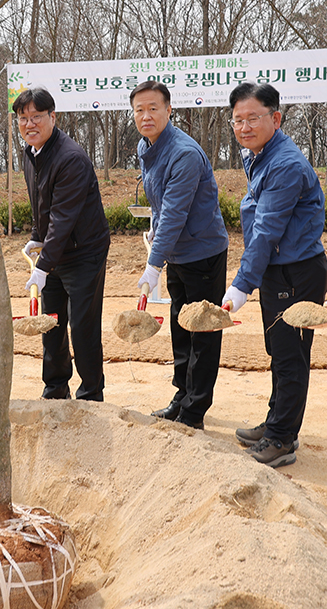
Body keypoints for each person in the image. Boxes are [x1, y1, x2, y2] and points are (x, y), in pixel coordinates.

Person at [223, 83, 327, 467]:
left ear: (276, 118)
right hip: (276, 269)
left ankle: (283, 438)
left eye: (253, 117)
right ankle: (276, 422)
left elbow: (267, 230)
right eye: (238, 119)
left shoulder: (284, 164)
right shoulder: (259, 155)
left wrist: (240, 286)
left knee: (290, 356)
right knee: (279, 351)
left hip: (295, 272)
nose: (245, 126)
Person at [130, 80, 229, 428]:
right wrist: (158, 241)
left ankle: (195, 409)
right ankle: (181, 394)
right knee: (179, 325)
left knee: (201, 329)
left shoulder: (183, 153)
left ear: (169, 110)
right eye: (139, 109)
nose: (146, 116)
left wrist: (153, 264)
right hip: (178, 254)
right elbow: (160, 207)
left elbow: (174, 213)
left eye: (153, 108)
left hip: (202, 252)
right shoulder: (148, 147)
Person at [14, 88, 111, 401]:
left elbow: (64, 217)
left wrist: (42, 266)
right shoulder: (32, 153)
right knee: (51, 322)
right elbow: (41, 204)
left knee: (82, 325)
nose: (30, 124)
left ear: (52, 117)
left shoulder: (70, 158)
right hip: (53, 250)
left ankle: (91, 393)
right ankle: (55, 387)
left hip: (84, 252)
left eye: (37, 117)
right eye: (23, 118)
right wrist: (35, 236)